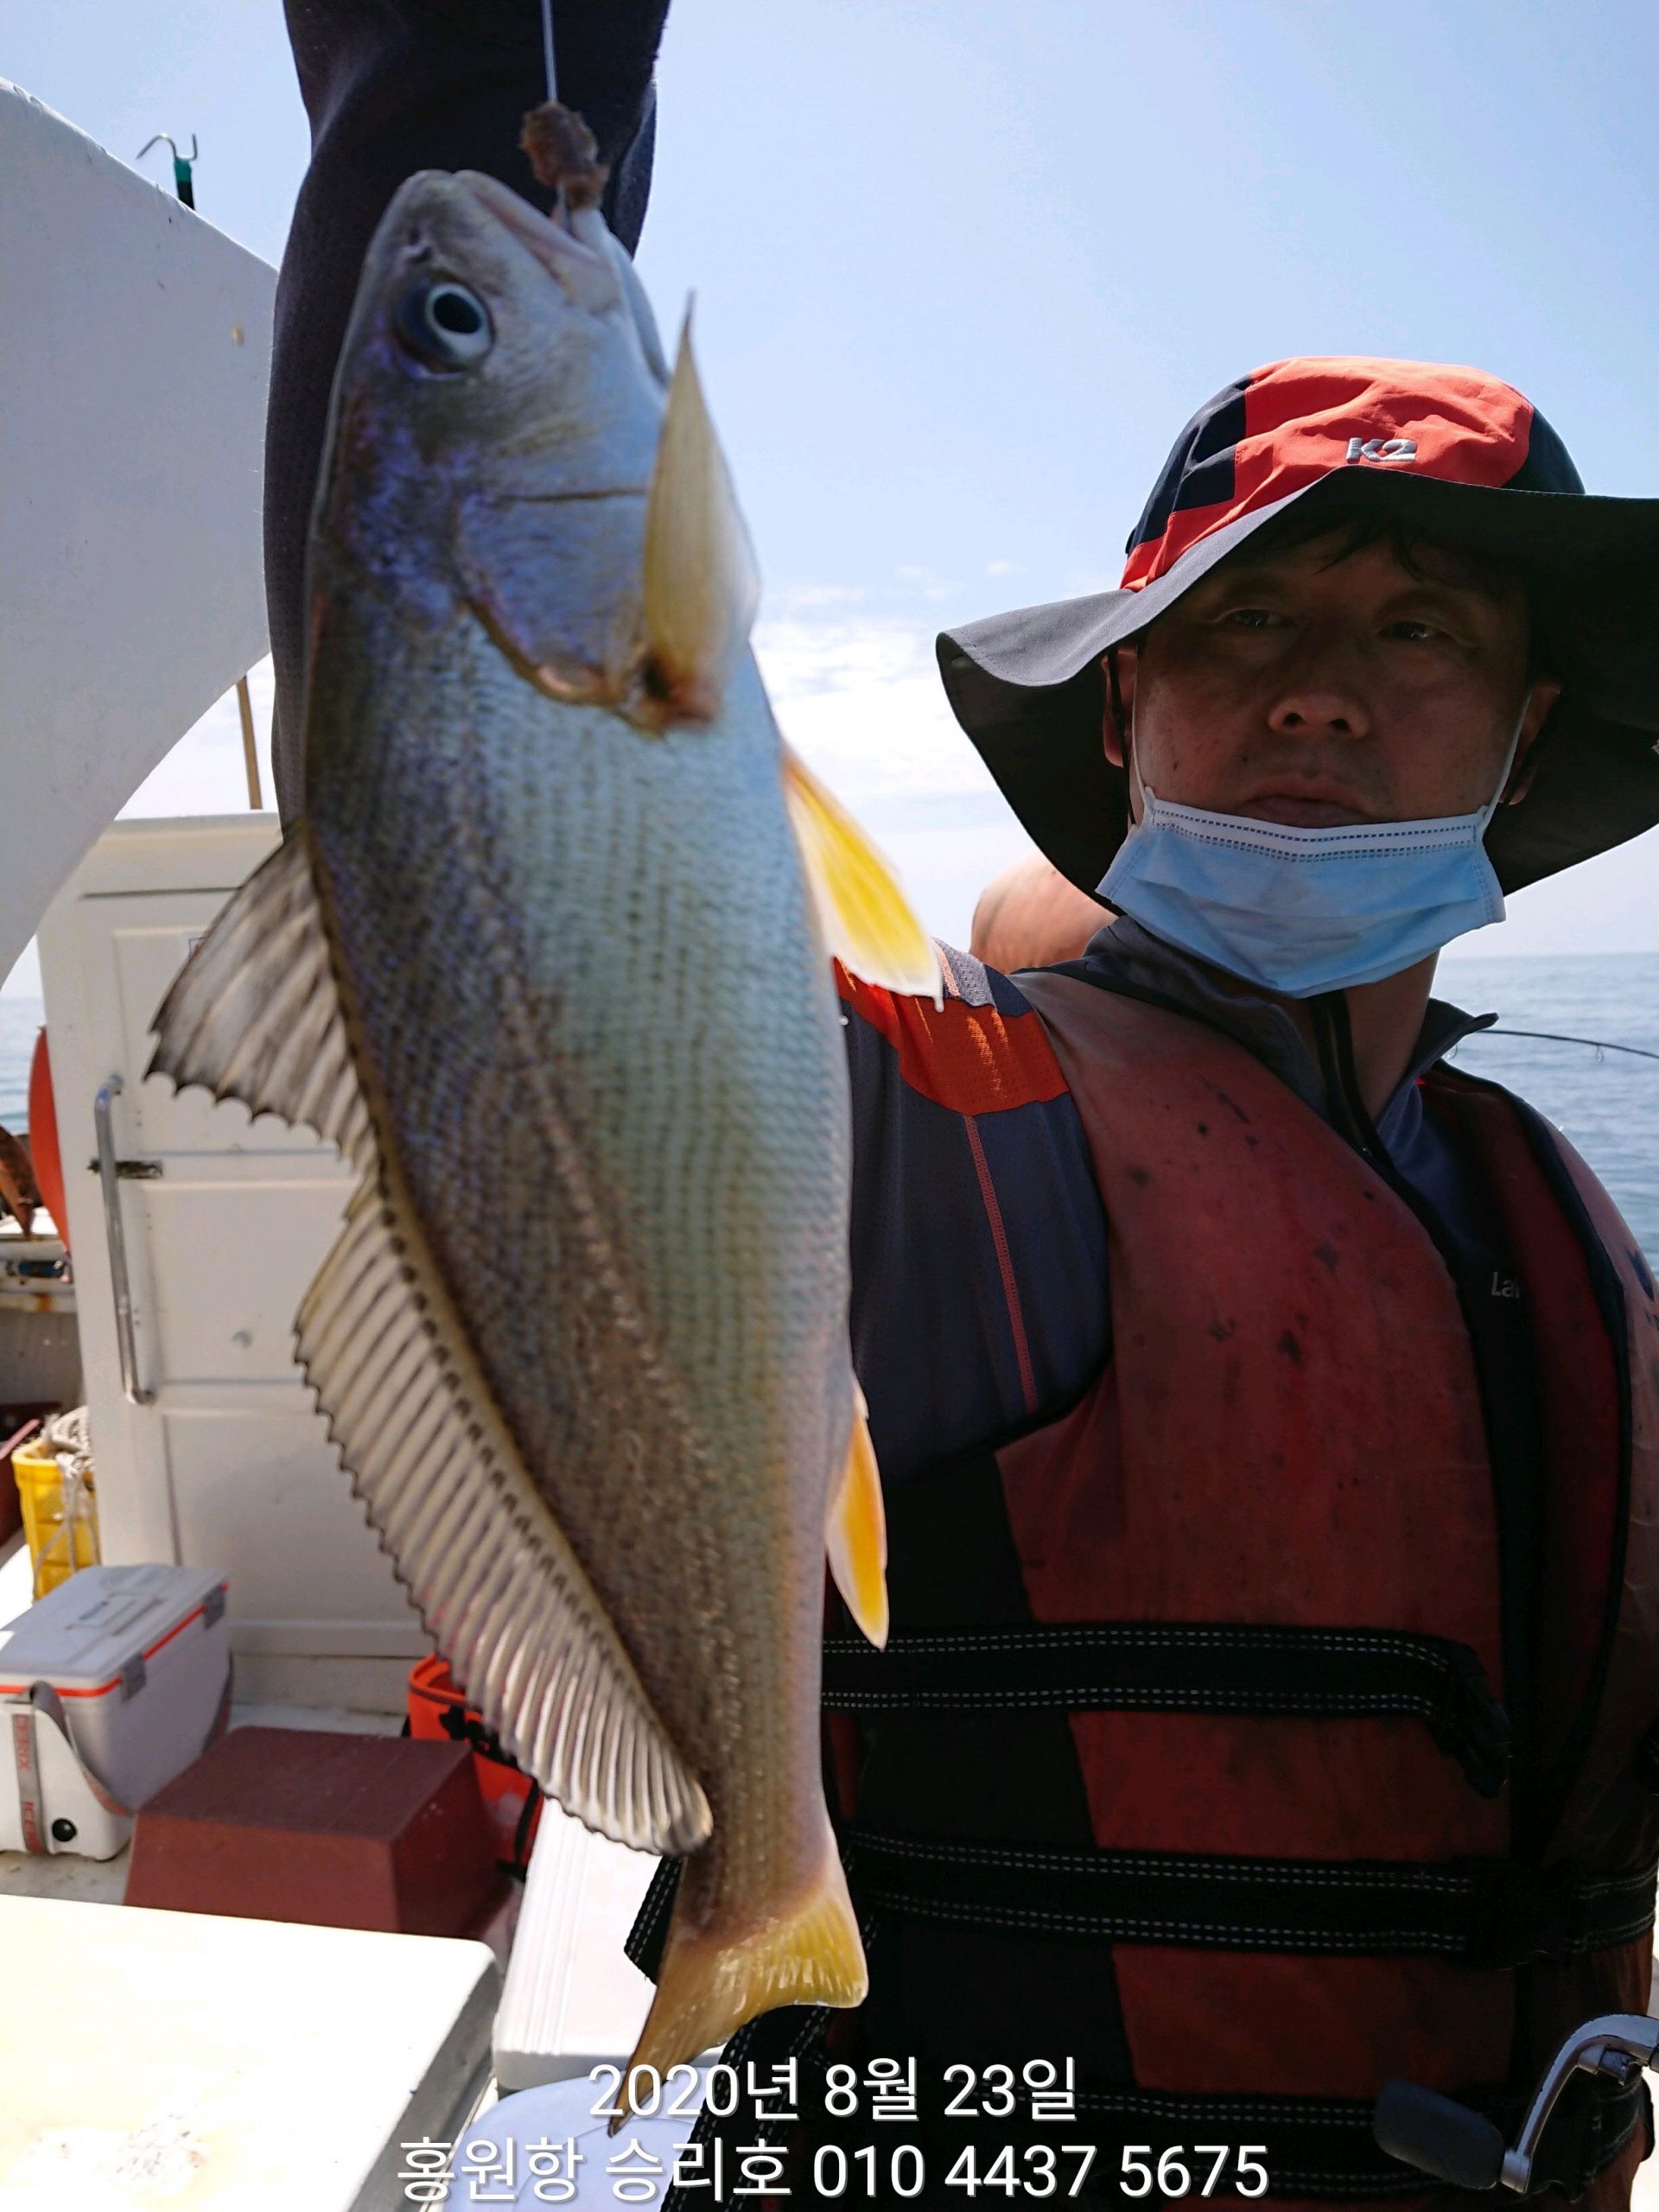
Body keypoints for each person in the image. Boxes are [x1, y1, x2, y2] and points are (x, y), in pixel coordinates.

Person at [266, 28, 1659, 2203]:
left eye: (1416, 626)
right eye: (1248, 617)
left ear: (1528, 723)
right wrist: (458, 87)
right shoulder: (957, 1112)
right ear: (1125, 702)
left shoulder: (1552, 1221)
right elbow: (469, 895)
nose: (1318, 686)